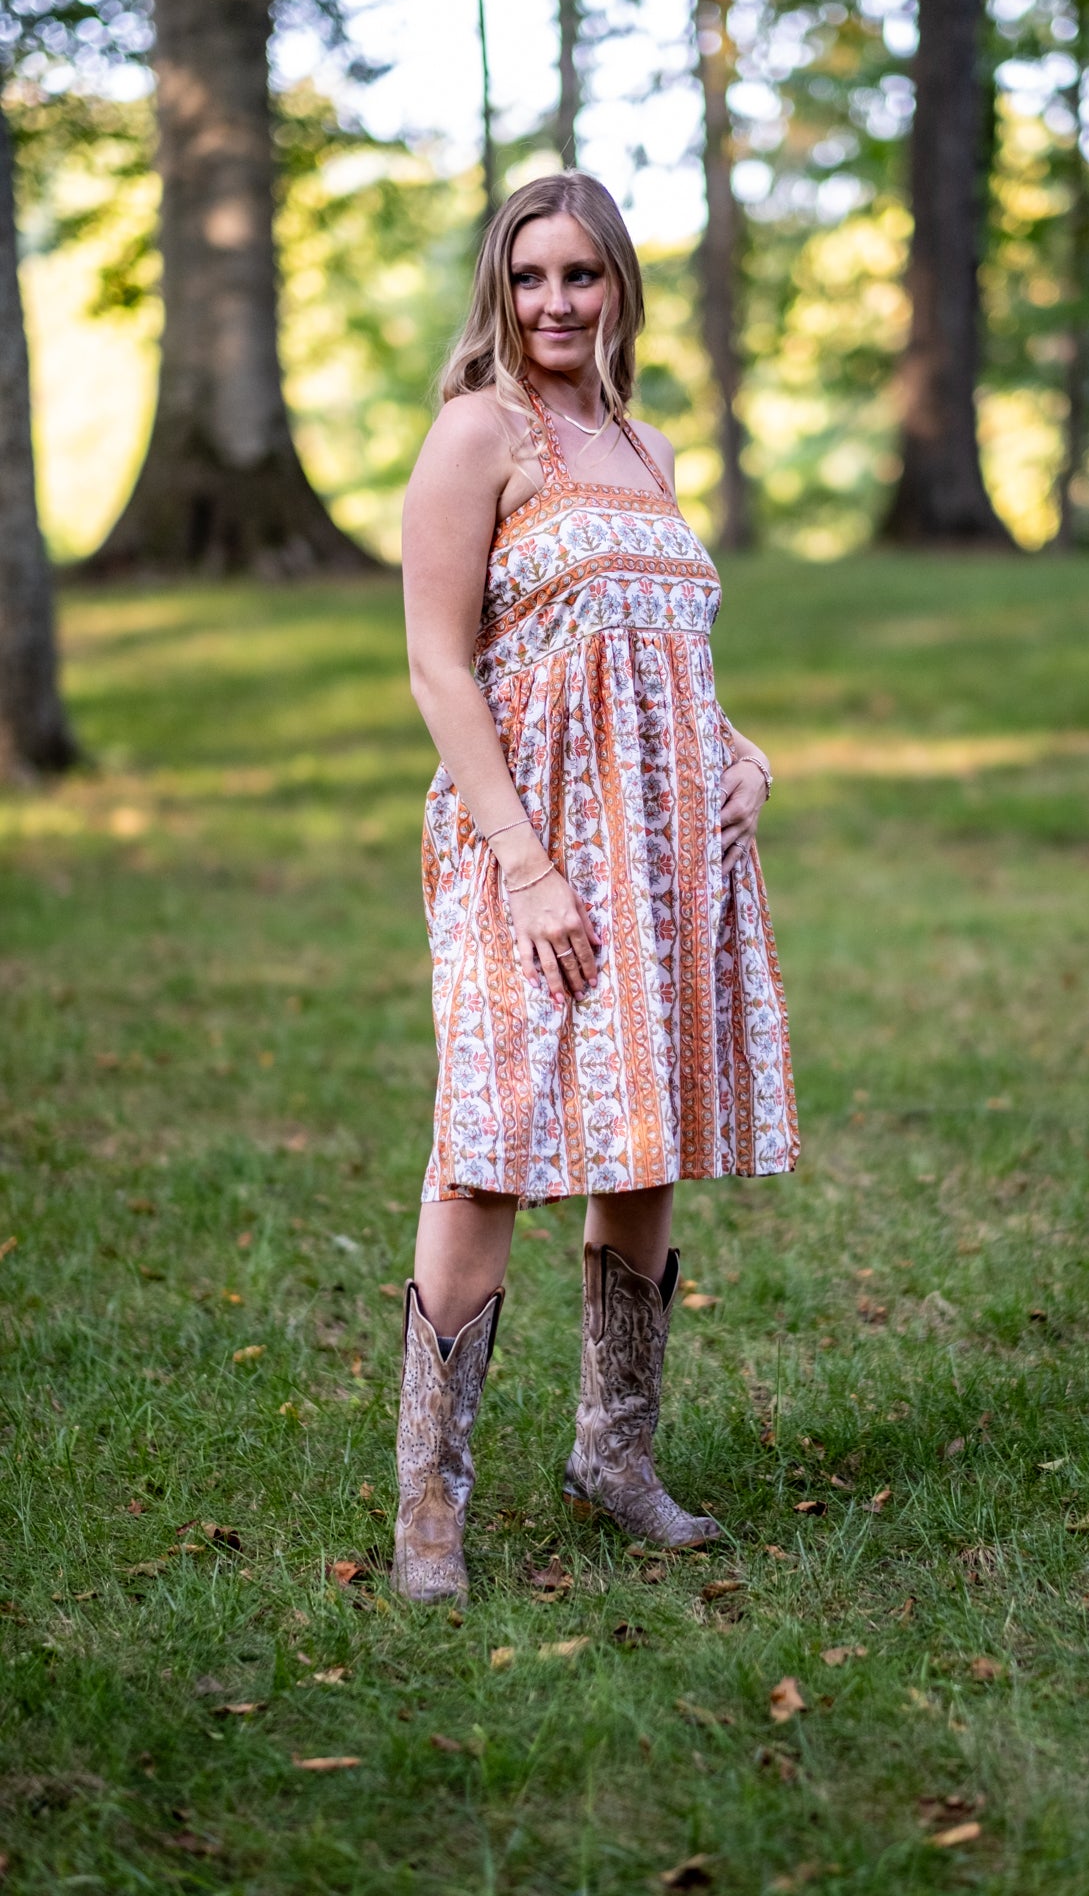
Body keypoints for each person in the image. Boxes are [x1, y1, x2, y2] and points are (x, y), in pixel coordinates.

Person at [393, 171, 799, 1604]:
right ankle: (430, 1508)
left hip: (664, 844)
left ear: (620, 282)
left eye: (581, 274)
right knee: (488, 1144)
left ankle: (613, 1457)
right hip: (529, 844)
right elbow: (440, 665)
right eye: (530, 276)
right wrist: (524, 864)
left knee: (642, 1139)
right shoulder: (478, 433)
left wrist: (745, 756)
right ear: (498, 290)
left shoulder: (647, 447)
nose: (555, 302)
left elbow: (661, 652)